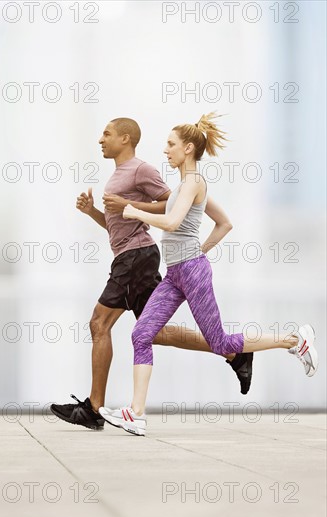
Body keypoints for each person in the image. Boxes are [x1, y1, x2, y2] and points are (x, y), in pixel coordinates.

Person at [99, 113, 319, 436]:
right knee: (141, 333)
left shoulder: (194, 183)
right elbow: (224, 222)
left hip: (192, 273)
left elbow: (173, 223)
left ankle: (295, 340)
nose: (166, 150)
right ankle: (137, 413)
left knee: (220, 342)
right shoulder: (183, 187)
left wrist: (135, 211)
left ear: (188, 148)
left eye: (171, 145)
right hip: (177, 272)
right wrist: (201, 248)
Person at [50, 117, 253, 430]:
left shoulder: (141, 169)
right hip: (129, 255)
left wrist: (128, 203)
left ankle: (93, 408)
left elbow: (169, 204)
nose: (100, 140)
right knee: (154, 333)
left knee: (99, 322)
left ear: (126, 138)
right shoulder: (117, 175)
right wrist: (92, 211)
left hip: (137, 258)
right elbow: (117, 226)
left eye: (106, 134)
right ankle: (232, 353)